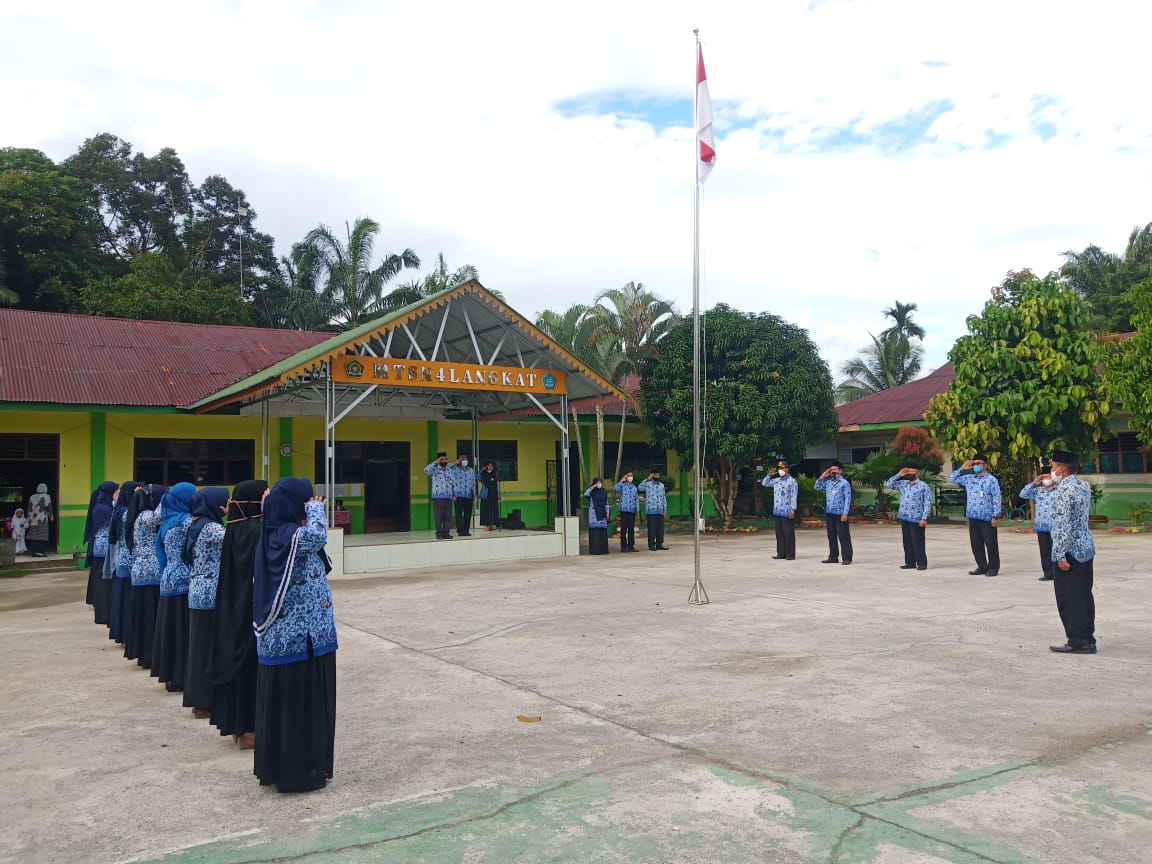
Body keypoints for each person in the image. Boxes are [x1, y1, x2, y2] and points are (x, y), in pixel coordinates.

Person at [253, 478, 337, 793]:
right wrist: (316, 508)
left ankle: (310, 769)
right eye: (303, 501)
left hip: (312, 640)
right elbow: (316, 537)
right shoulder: (286, 534)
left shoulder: (286, 532)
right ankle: (295, 774)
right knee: (295, 709)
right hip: (295, 641)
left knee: (310, 707)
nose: (308, 506)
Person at [209, 479, 267, 749]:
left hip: (232, 609)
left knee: (236, 665)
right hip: (252, 610)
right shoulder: (259, 532)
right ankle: (251, 730)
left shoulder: (232, 531)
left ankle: (237, 728)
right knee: (251, 669)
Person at [183, 487, 230, 721]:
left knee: (199, 648)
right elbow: (234, 542)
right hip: (210, 594)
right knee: (206, 651)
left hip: (198, 590)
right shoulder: (211, 528)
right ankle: (203, 702)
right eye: (226, 501)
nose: (228, 504)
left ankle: (198, 700)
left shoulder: (195, 523)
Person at [1047, 450, 1097, 654]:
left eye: (1052, 467)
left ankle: (1077, 641)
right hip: (1085, 548)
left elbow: (1062, 525)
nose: (1051, 471)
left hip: (1069, 552)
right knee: (1084, 595)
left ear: (1061, 468)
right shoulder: (1083, 486)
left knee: (1069, 598)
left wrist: (1060, 556)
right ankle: (1088, 638)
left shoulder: (1063, 491)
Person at [151, 482, 197, 691]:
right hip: (184, 581)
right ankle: (182, 676)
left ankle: (171, 676)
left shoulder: (167, 521)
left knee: (171, 630)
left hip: (168, 579)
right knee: (183, 632)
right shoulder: (186, 521)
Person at [125, 484, 167, 668]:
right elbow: (159, 515)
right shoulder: (143, 517)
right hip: (151, 573)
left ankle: (145, 654)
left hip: (141, 572)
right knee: (150, 615)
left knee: (143, 615)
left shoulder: (135, 518)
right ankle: (149, 654)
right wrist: (167, 497)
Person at [948, 455, 1002, 576]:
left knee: (991, 543)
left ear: (985, 465)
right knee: (976, 544)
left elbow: (997, 498)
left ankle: (993, 568)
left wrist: (996, 516)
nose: (976, 465)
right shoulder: (969, 478)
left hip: (987, 517)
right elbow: (951, 479)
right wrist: (962, 468)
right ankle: (981, 566)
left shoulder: (991, 480)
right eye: (975, 463)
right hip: (973, 516)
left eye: (979, 463)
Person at [106, 481, 143, 645]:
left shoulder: (119, 510)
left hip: (121, 558)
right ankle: (128, 636)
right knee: (128, 599)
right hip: (130, 560)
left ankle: (122, 635)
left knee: (122, 598)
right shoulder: (130, 513)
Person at [83, 481, 119, 626]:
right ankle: (103, 614)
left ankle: (102, 611)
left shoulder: (102, 505)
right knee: (103, 584)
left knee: (102, 582)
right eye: (117, 491)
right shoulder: (104, 508)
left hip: (101, 550)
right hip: (104, 551)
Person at [886, 465, 932, 570]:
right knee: (907, 541)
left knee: (917, 541)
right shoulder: (903, 484)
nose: (909, 473)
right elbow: (889, 484)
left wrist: (924, 518)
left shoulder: (923, 486)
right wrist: (900, 474)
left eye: (912, 471)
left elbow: (927, 503)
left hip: (917, 518)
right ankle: (910, 562)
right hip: (904, 517)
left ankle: (922, 563)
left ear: (918, 473)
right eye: (908, 471)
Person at [1019, 468, 1057, 581]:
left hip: (1056, 526)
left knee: (1057, 550)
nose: (1046, 479)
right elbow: (1023, 494)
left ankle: (1059, 573)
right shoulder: (1039, 491)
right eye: (1043, 477)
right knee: (1044, 551)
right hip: (1041, 527)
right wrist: (1034, 483)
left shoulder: (1060, 490)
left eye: (1048, 476)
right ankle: (1048, 573)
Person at [815, 463, 853, 565]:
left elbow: (848, 499)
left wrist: (845, 513)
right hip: (830, 513)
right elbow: (817, 486)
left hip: (840, 514)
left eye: (835, 470)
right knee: (831, 536)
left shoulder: (844, 483)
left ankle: (847, 558)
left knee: (843, 536)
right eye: (831, 470)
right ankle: (833, 557)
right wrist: (823, 476)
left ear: (840, 471)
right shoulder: (828, 483)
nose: (833, 472)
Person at [761, 460, 797, 560]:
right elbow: (764, 483)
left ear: (787, 468)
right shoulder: (776, 481)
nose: (780, 470)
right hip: (777, 511)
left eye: (782, 468)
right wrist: (769, 474)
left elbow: (793, 496)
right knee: (779, 534)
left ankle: (790, 554)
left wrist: (792, 510)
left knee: (788, 533)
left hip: (787, 511)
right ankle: (781, 553)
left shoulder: (792, 481)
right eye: (779, 468)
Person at [425, 452, 455, 539]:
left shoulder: (450, 471)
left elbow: (453, 483)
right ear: (439, 460)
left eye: (446, 459)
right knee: (438, 516)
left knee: (448, 516)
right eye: (442, 459)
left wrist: (454, 494)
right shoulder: (434, 470)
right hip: (438, 497)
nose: (444, 460)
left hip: (448, 497)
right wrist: (436, 462)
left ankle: (446, 533)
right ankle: (439, 533)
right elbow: (426, 470)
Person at [637, 470, 669, 551]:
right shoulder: (648, 484)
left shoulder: (661, 485)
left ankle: (659, 544)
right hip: (651, 510)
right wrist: (648, 478)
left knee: (660, 529)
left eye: (658, 474)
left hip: (660, 510)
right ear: (652, 475)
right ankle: (651, 545)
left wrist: (665, 508)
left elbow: (663, 497)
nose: (657, 476)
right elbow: (640, 488)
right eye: (655, 475)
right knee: (652, 528)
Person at [613, 472, 639, 552]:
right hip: (624, 511)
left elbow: (636, 499)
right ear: (626, 477)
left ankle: (631, 546)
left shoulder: (634, 488)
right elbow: (615, 488)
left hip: (632, 511)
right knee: (623, 529)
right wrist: (622, 480)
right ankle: (624, 547)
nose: (630, 477)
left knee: (631, 529)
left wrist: (637, 510)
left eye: (631, 475)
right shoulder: (623, 486)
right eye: (629, 476)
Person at [451, 454, 476, 537]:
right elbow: (448, 468)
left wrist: (474, 494)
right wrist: (453, 495)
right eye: (462, 459)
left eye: (465, 458)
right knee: (458, 514)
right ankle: (460, 530)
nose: (464, 460)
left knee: (468, 514)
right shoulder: (455, 470)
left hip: (469, 495)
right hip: (458, 495)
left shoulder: (471, 471)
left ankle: (466, 531)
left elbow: (473, 483)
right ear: (459, 460)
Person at [26, 483, 54, 557]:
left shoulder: (32, 497)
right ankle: (40, 552)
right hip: (43, 520)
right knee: (42, 536)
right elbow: (49, 509)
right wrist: (51, 518)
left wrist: (28, 520)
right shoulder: (47, 497)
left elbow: (29, 509)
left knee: (34, 536)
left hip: (33, 521)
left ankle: (33, 552)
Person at [584, 478, 610, 555]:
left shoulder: (603, 491)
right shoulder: (592, 492)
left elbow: (606, 502)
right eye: (597, 483)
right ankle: (595, 550)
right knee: (595, 533)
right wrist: (593, 487)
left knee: (602, 533)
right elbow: (586, 494)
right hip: (594, 514)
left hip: (602, 514)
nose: (599, 484)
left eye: (600, 482)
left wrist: (607, 512)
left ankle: (603, 550)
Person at [478, 461, 500, 531]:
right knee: (485, 510)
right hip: (486, 494)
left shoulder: (494, 474)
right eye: (489, 465)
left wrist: (498, 495)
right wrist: (482, 469)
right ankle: (486, 525)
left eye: (492, 465)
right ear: (486, 466)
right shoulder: (483, 474)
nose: (490, 467)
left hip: (493, 494)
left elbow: (496, 485)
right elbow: (477, 476)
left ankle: (492, 524)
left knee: (493, 510)